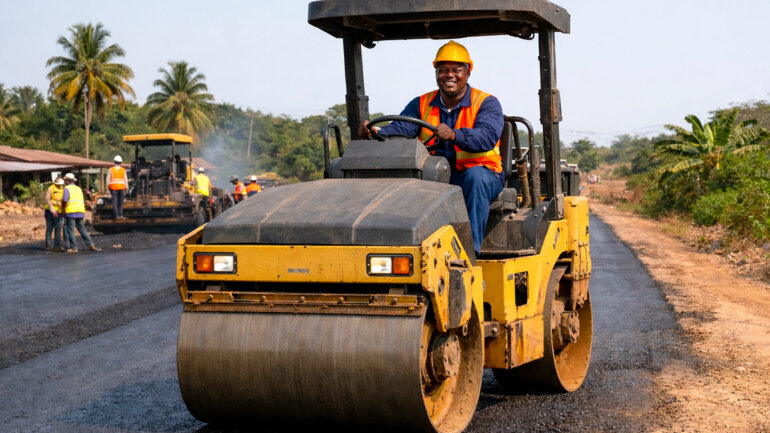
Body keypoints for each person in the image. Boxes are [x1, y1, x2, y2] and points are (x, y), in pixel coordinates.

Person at [358, 40, 504, 256]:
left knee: (476, 178)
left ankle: (467, 255)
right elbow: (402, 127)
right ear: (436, 72)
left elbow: (486, 137)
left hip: (481, 175)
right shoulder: (422, 103)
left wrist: (455, 134)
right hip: (436, 175)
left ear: (468, 72)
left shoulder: (486, 103)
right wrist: (376, 133)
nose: (450, 75)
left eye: (456, 70)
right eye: (443, 70)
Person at [61, 173, 99, 252]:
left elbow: (65, 200)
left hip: (71, 212)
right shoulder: (78, 189)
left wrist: (63, 206)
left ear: (68, 181)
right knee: (82, 230)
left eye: (65, 180)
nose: (65, 182)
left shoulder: (67, 188)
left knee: (70, 230)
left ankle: (74, 247)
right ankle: (91, 245)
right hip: (80, 212)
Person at [44, 176, 65, 251]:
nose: (59, 185)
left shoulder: (62, 189)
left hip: (59, 212)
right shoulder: (51, 188)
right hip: (50, 212)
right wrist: (53, 210)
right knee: (49, 228)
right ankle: (48, 245)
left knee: (58, 229)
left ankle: (57, 246)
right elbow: (47, 200)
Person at [107, 155, 128, 219]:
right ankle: (121, 215)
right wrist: (127, 188)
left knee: (115, 202)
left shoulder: (111, 169)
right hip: (122, 188)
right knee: (120, 203)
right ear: (121, 162)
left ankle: (116, 216)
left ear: (114, 162)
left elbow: (108, 180)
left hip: (113, 188)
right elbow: (125, 179)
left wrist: (107, 188)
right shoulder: (123, 170)